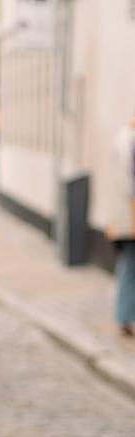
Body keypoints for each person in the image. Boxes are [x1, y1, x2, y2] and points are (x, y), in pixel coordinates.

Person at [106, 114, 135, 338]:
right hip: (130, 220)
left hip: (121, 219)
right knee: (130, 268)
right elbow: (131, 188)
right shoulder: (131, 142)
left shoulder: (120, 139)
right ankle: (124, 317)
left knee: (127, 267)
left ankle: (123, 316)